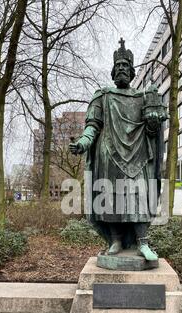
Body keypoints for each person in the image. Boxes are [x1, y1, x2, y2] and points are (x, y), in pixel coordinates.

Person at [69, 39, 166, 262]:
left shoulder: (143, 97)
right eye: (118, 66)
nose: (122, 69)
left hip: (139, 155)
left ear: (132, 72)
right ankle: (115, 241)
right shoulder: (102, 96)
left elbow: (153, 131)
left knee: (139, 197)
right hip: (109, 154)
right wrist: (83, 143)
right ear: (113, 72)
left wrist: (152, 122)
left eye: (126, 66)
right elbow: (92, 126)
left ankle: (143, 243)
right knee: (110, 199)